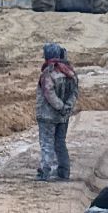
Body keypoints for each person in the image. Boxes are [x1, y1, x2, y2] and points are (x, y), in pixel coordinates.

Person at [36, 42, 79, 181]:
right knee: (60, 143)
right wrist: (67, 107)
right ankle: (63, 172)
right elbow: (75, 93)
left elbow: (49, 93)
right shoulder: (70, 73)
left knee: (47, 143)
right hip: (63, 116)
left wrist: (60, 107)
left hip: (48, 115)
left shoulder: (48, 73)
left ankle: (45, 171)